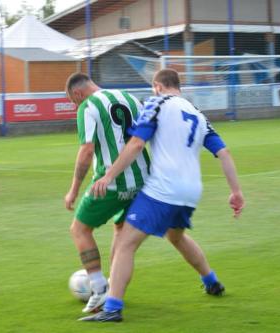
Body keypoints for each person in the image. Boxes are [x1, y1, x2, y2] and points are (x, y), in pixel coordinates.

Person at [81, 69, 245, 322]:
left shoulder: (156, 103)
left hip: (163, 188)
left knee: (125, 243)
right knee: (176, 236)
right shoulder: (197, 113)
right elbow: (224, 153)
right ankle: (211, 282)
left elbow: (136, 144)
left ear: (157, 86)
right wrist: (236, 192)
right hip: (191, 191)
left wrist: (109, 175)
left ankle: (112, 308)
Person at [64, 73, 150, 313]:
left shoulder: (88, 106)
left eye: (74, 101)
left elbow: (87, 151)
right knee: (121, 233)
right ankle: (113, 292)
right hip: (142, 180)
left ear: (79, 93)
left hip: (111, 183)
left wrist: (73, 190)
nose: (75, 106)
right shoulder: (130, 98)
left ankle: (99, 286)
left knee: (79, 229)